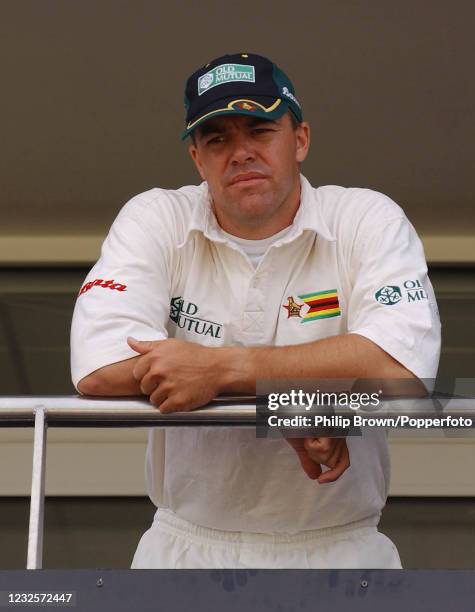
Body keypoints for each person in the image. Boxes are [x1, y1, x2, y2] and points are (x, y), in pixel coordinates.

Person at [70, 52, 441, 569]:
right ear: (198, 160)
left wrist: (222, 371)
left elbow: (401, 366)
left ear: (301, 140)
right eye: (217, 139)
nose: (240, 152)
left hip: (341, 552)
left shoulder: (365, 217)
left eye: (260, 130)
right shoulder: (157, 216)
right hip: (183, 549)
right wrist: (286, 402)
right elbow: (99, 366)